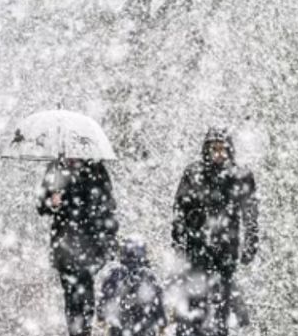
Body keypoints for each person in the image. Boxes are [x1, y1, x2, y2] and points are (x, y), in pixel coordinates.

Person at [171, 127, 259, 336]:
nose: (218, 154)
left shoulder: (239, 176)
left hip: (225, 252)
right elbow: (179, 210)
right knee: (195, 307)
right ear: (206, 150)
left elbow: (251, 215)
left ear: (229, 151)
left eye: (222, 149)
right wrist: (178, 243)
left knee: (221, 308)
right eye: (214, 149)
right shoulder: (194, 174)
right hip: (197, 250)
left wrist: (250, 244)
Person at [37, 156, 119, 336]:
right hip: (65, 246)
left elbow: (109, 207)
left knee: (84, 292)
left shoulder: (96, 169)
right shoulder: (56, 168)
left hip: (90, 244)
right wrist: (52, 201)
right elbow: (41, 204)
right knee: (71, 296)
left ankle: (84, 331)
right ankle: (77, 332)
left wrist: (109, 240)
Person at [96, 237, 167, 336]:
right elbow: (157, 301)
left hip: (119, 326)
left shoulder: (114, 273)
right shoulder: (149, 275)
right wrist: (162, 322)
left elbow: (105, 296)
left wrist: (101, 317)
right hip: (145, 326)